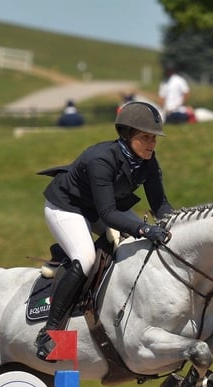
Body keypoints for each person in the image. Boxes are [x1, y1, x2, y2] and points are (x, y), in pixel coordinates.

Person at [34, 101, 175, 361]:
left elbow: (160, 205)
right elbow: (109, 214)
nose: (152, 143)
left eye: (154, 137)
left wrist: (175, 225)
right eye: (145, 137)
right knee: (86, 258)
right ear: (127, 134)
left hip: (100, 208)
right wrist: (144, 228)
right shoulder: (101, 159)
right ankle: (50, 332)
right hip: (67, 208)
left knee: (137, 245)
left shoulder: (148, 161)